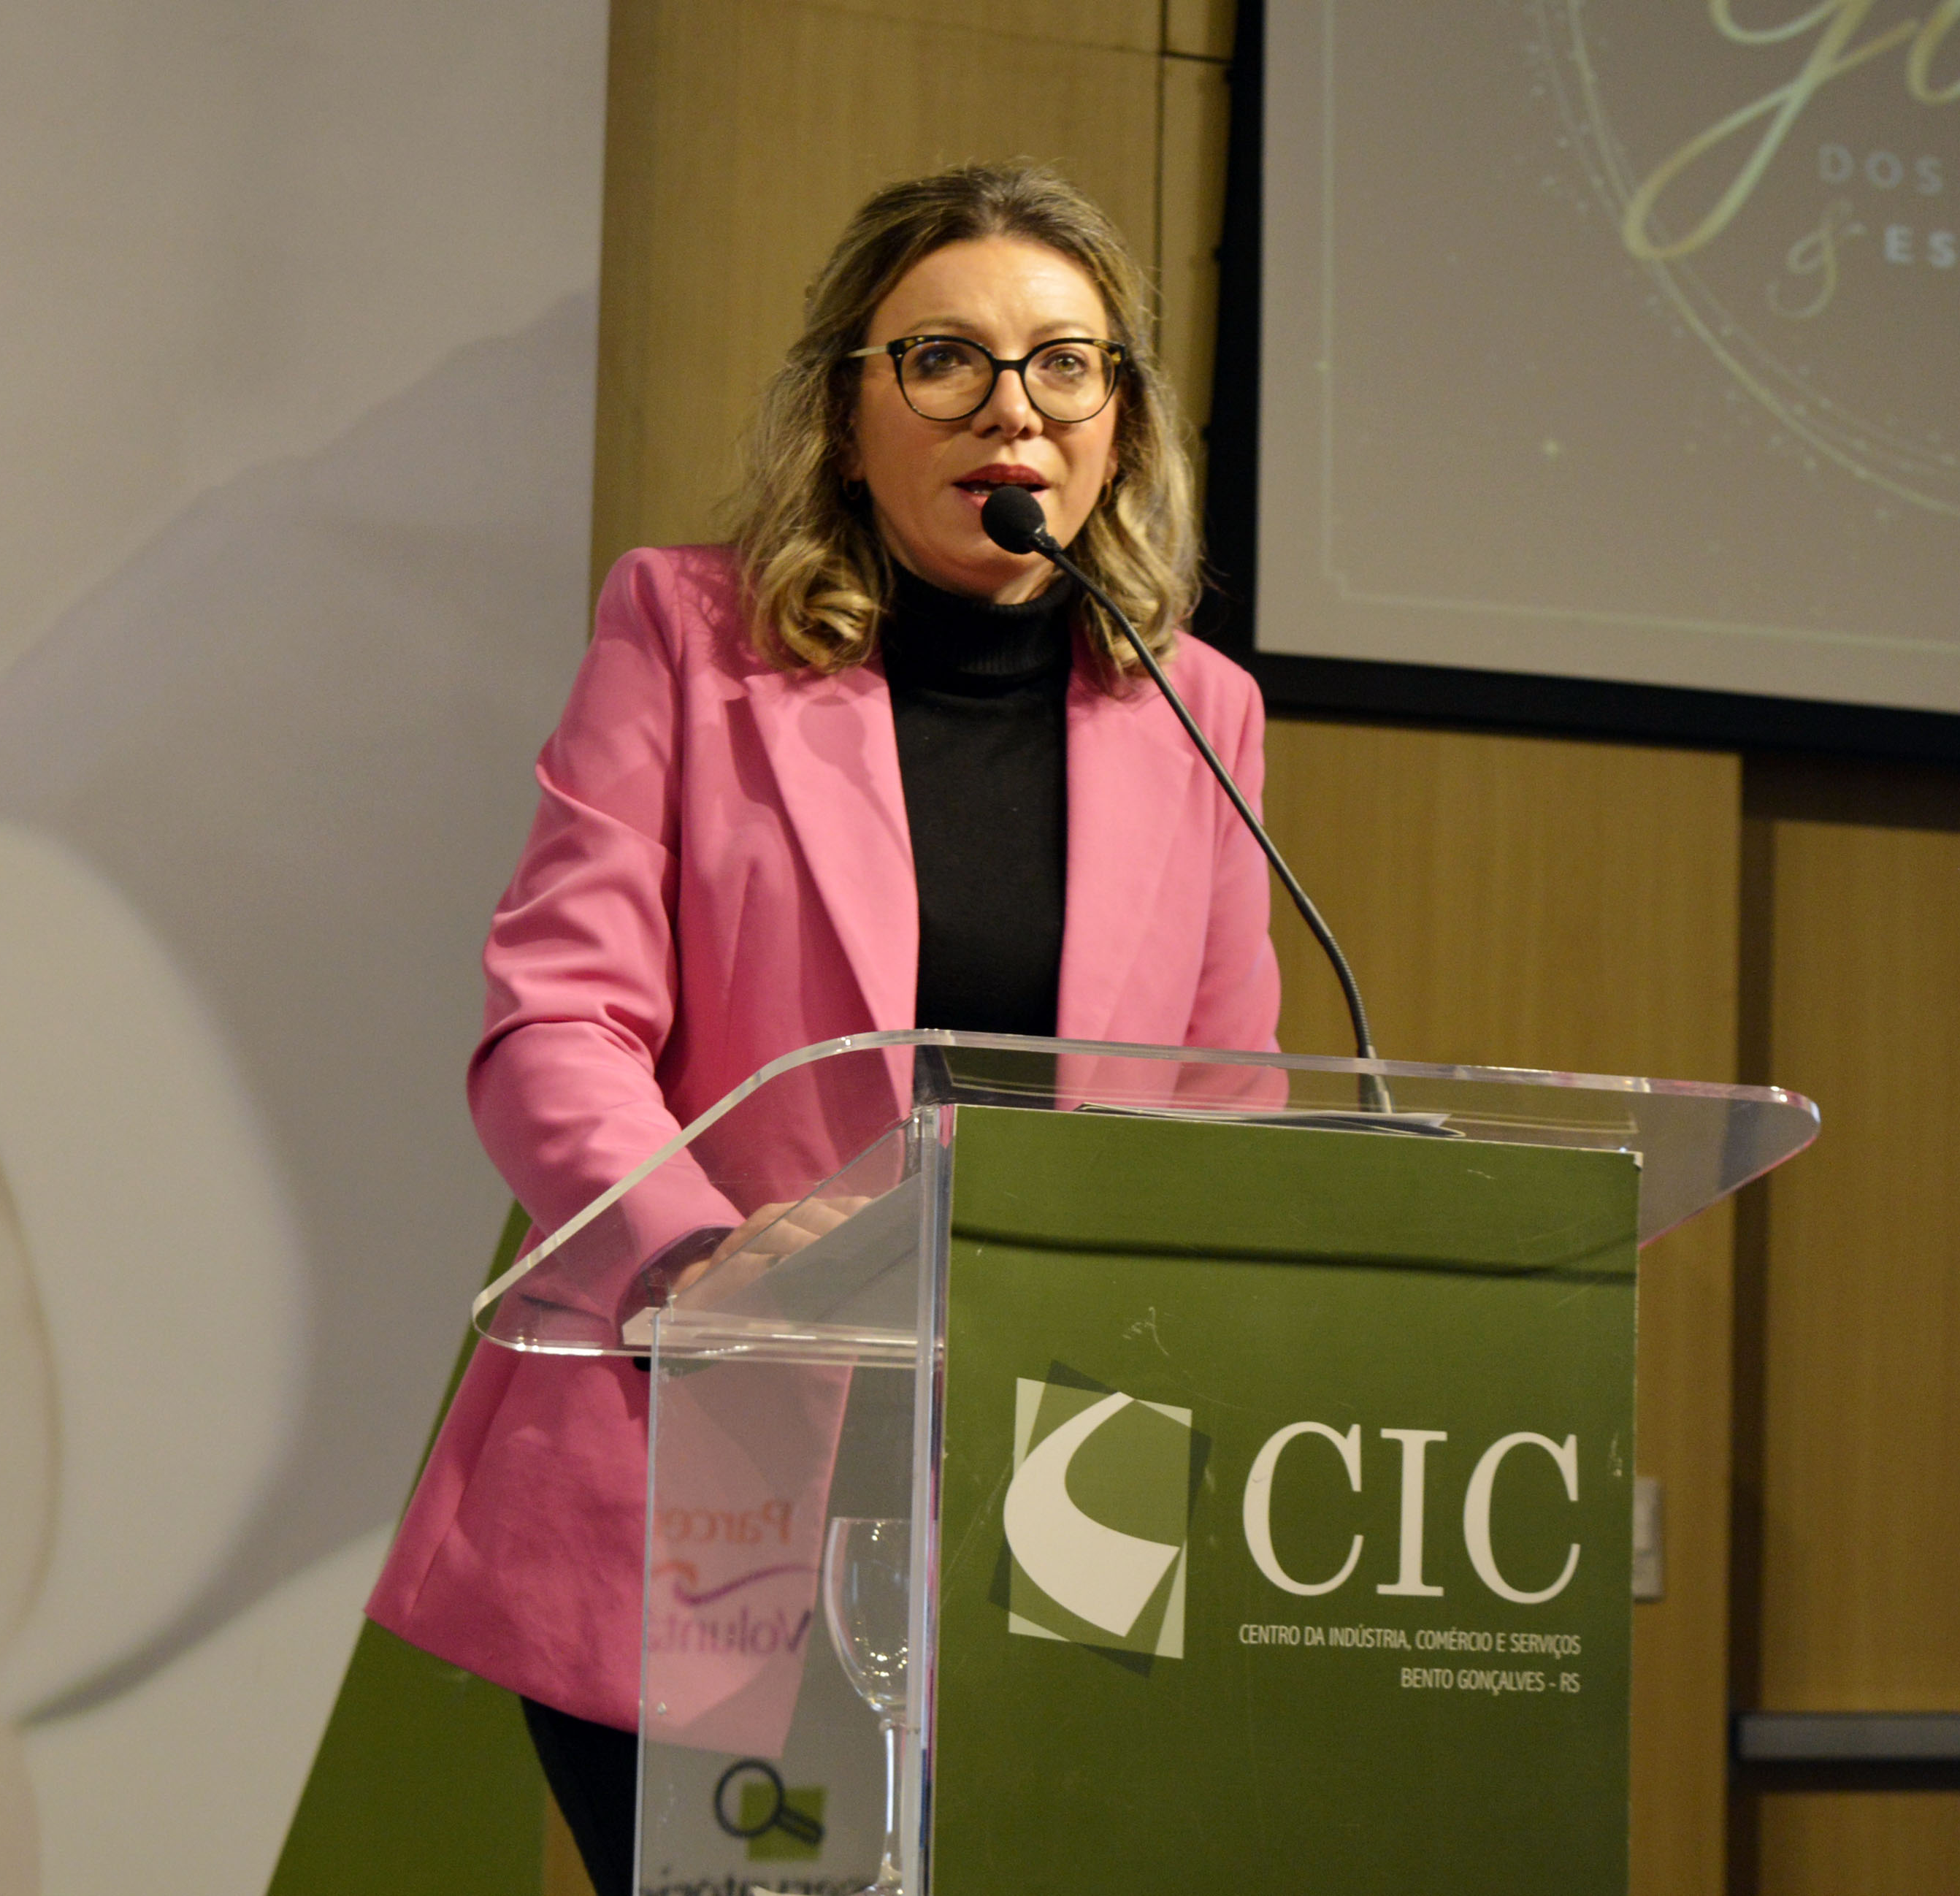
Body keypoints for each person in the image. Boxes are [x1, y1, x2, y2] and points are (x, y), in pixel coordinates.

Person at [365, 160, 1282, 1893]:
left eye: (1063, 363)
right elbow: (555, 1018)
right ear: (845, 418)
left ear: (1118, 423)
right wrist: (703, 1266)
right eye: (942, 359)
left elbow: (1219, 1108)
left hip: (1061, 1494)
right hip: (707, 1455)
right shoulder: (687, 635)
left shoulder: (1198, 709)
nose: (1011, 408)